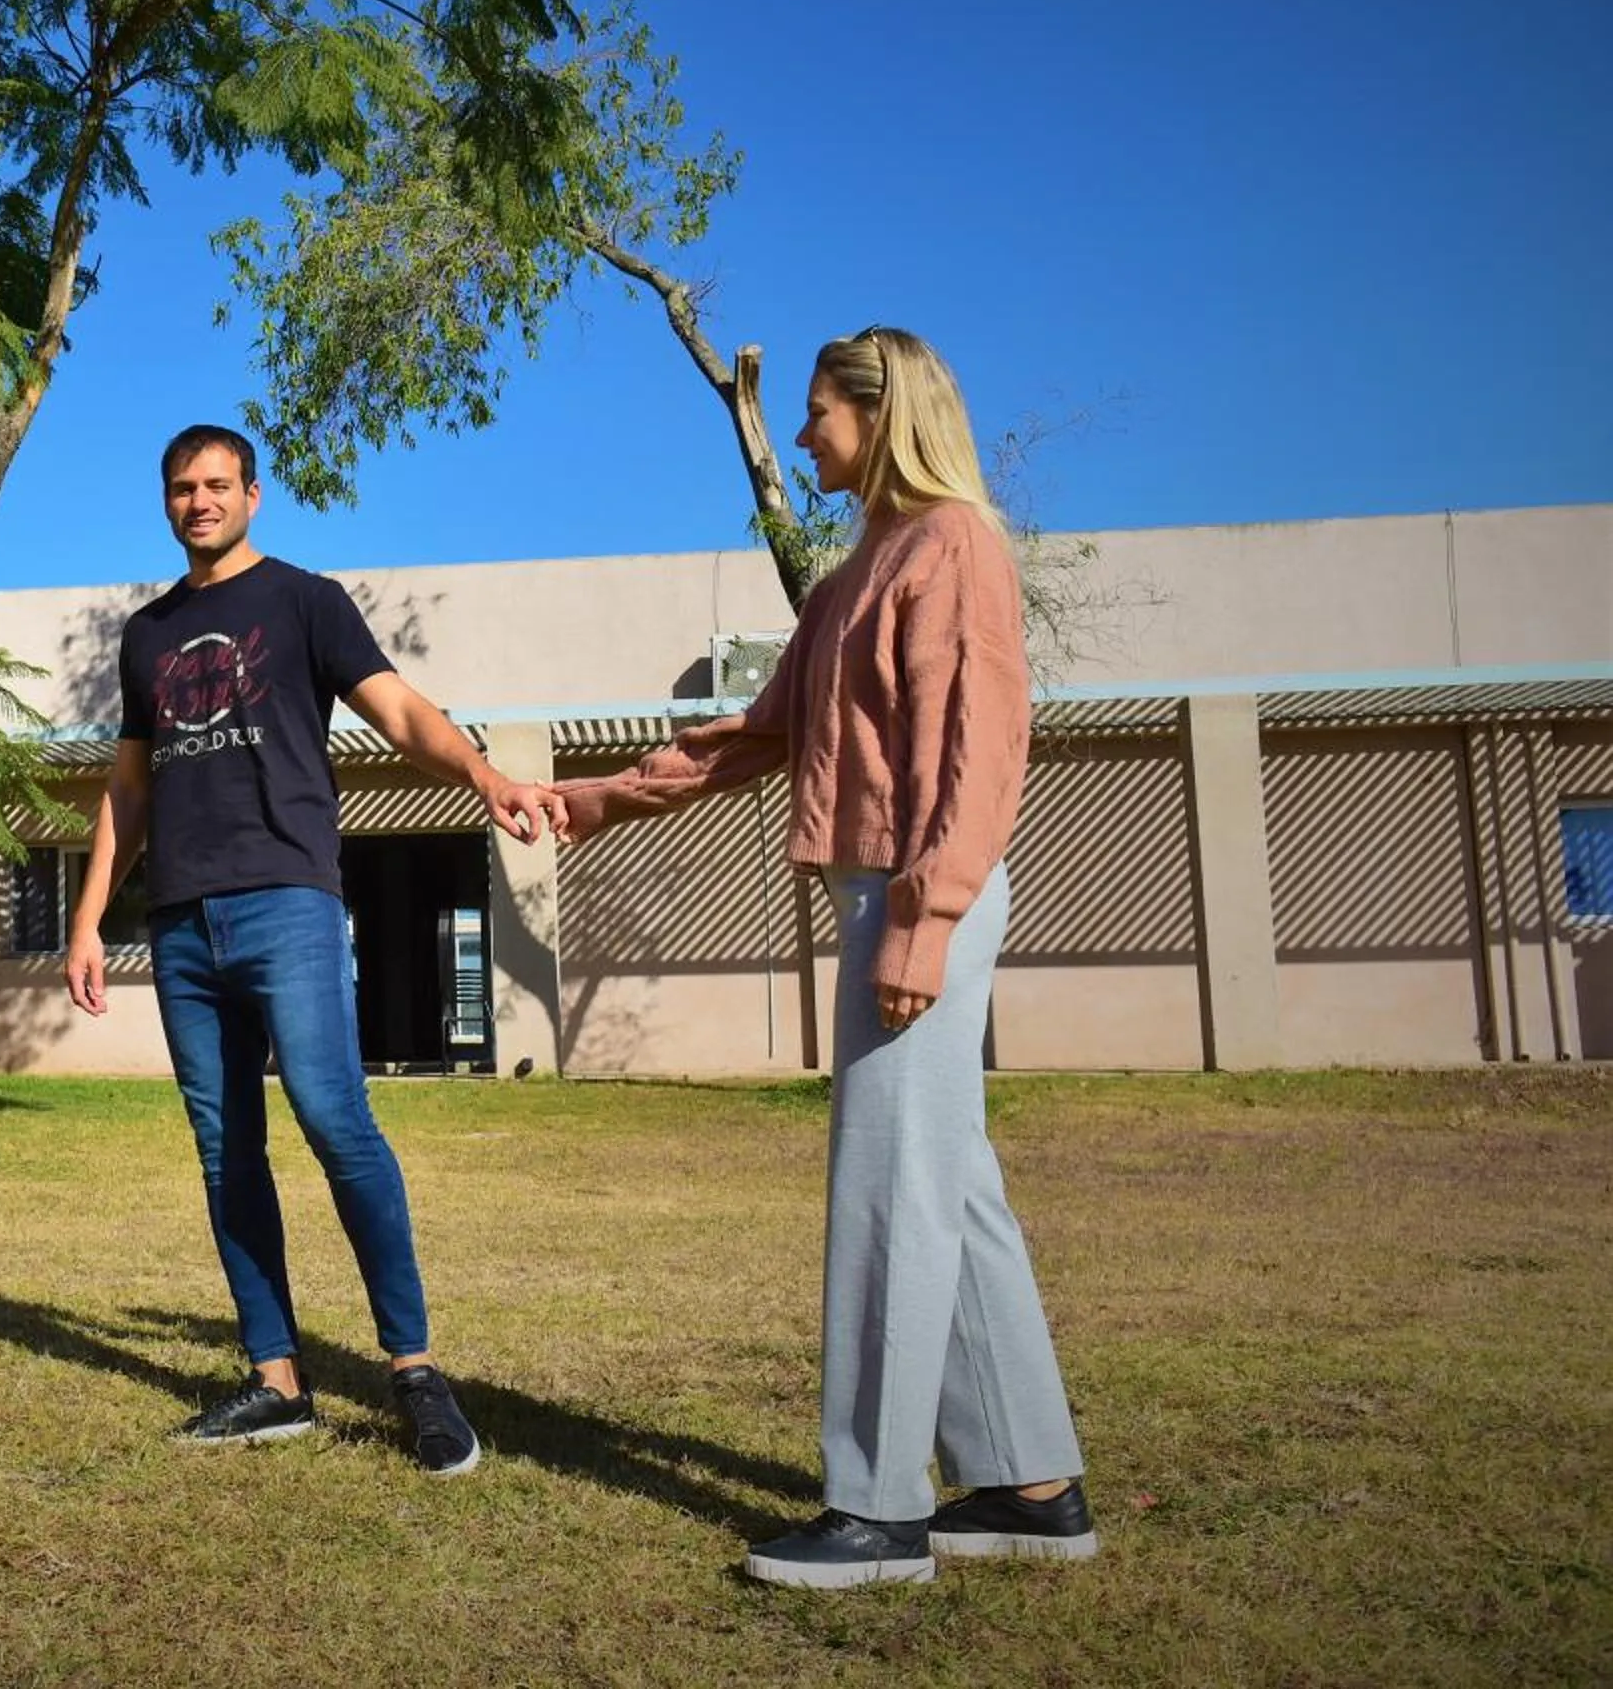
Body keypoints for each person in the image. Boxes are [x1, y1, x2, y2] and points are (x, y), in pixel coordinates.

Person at [556, 327, 1095, 1587]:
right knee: (948, 1184)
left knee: (889, 1191)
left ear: (880, 409)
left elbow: (982, 746)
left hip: (921, 895)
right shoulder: (856, 575)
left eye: (817, 413)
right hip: (885, 896)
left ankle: (879, 1510)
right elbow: (759, 733)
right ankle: (1032, 1484)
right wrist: (591, 798)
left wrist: (927, 914)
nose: (801, 436)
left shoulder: (955, 544)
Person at [65, 423, 560, 1476]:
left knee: (336, 1120)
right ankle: (277, 1379)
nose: (199, 501)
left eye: (216, 484)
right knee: (226, 1152)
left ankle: (415, 1370)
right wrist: (87, 917)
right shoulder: (148, 634)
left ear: (252, 494)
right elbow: (129, 787)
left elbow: (399, 712)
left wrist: (483, 774)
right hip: (183, 925)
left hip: (288, 903)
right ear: (166, 501)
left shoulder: (305, 601)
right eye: (181, 488)